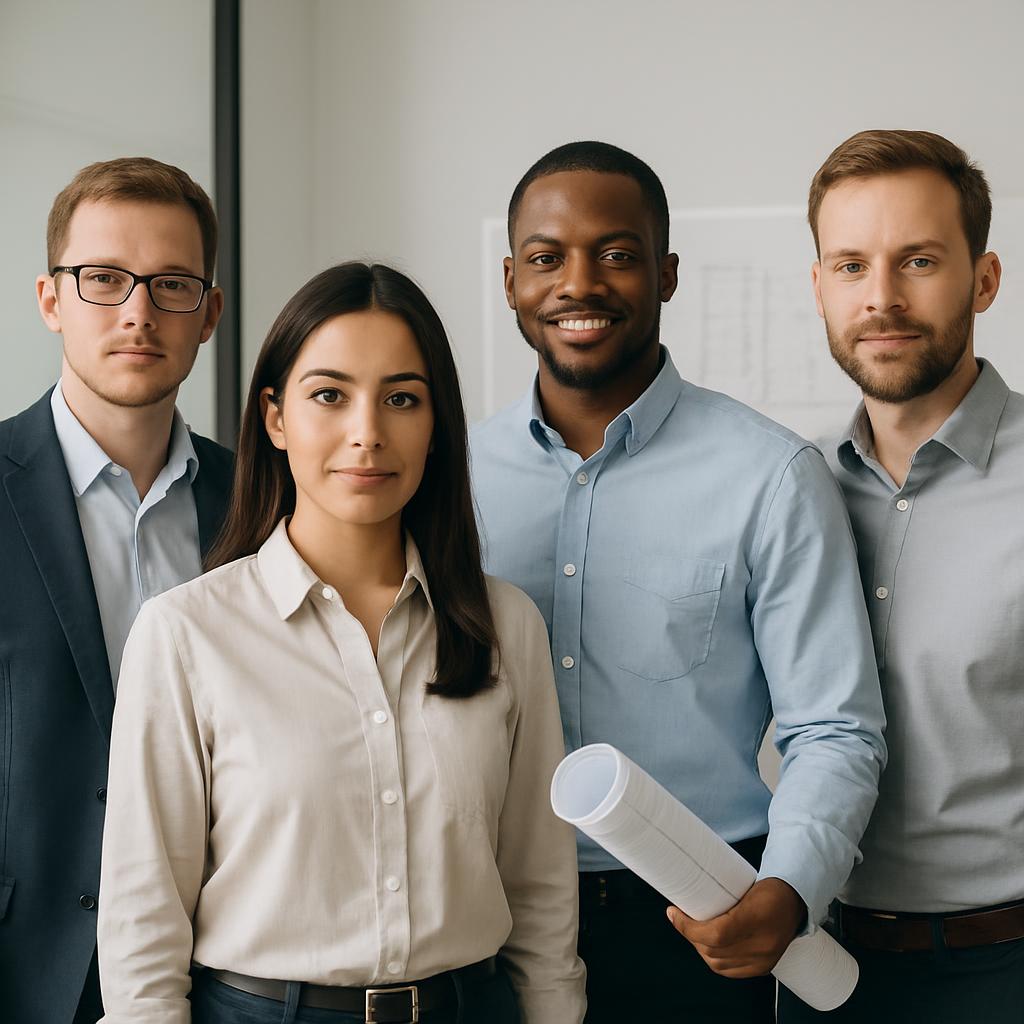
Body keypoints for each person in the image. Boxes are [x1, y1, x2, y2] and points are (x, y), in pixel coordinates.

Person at [95, 262, 586, 1024]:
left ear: (436, 425)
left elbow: (541, 888)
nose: (368, 433)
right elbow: (143, 922)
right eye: (330, 395)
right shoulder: (186, 634)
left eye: (401, 399)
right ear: (276, 417)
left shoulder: (504, 625)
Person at [469, 141, 887, 1023]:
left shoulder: (771, 476)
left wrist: (792, 885)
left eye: (617, 255)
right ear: (511, 280)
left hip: (705, 921)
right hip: (487, 924)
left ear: (666, 275)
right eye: (546, 258)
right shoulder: (445, 480)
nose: (579, 284)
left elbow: (835, 728)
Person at [777, 130, 1024, 1023]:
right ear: (819, 289)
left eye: (918, 260)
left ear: (984, 280)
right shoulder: (785, 490)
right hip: (820, 967)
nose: (881, 299)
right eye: (850, 266)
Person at [0, 157, 233, 1024]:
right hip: (27, 969)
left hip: (226, 972)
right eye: (103, 279)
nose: (138, 312)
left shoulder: (262, 503)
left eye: (172, 283)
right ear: (51, 297)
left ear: (208, 313)